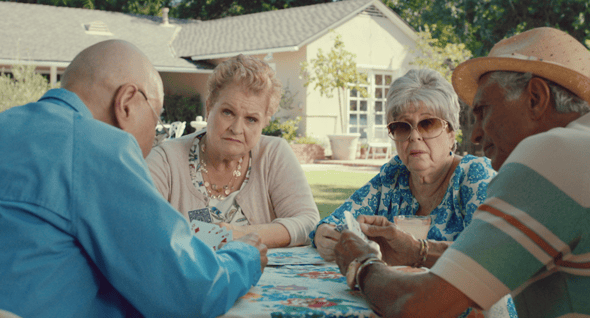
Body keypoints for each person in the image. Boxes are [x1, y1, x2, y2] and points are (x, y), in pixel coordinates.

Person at [333, 27, 590, 318]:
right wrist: (418, 251)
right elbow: (495, 259)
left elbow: (418, 306)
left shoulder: (550, 155)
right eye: (402, 127)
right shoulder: (578, 151)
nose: (477, 135)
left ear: (535, 98)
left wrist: (363, 263)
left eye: (483, 111)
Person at [0, 40, 268, 317]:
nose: (154, 138)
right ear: (127, 103)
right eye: (156, 118)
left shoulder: (8, 124)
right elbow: (190, 291)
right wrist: (244, 256)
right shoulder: (99, 146)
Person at [311, 68, 496, 264]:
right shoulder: (394, 175)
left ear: (451, 133)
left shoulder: (474, 176)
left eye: (428, 123)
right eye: (402, 126)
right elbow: (336, 221)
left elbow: (490, 253)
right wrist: (324, 234)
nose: (414, 136)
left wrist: (418, 252)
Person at [146, 54, 320, 248]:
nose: (237, 128)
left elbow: (308, 222)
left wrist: (242, 234)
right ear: (210, 107)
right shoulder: (165, 160)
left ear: (265, 121)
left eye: (251, 119)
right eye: (228, 112)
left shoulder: (274, 154)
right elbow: (141, 230)